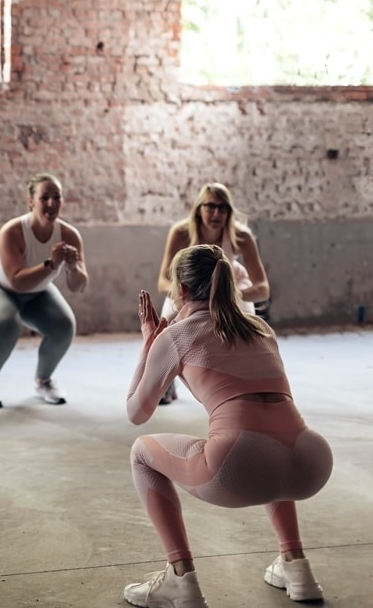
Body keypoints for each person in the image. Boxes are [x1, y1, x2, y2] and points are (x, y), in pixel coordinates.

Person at [122, 244, 333, 608]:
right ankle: (297, 567)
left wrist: (149, 343)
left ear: (182, 291)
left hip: (239, 463)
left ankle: (180, 580)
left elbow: (136, 412)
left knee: (142, 452)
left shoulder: (177, 336)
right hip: (311, 459)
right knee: (270, 438)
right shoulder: (260, 326)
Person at [0, 173, 88, 408]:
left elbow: (79, 286)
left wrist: (72, 267)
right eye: (44, 198)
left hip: (37, 292)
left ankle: (43, 381)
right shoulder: (12, 231)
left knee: (64, 327)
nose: (51, 204)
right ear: (31, 201)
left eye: (57, 197)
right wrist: (52, 264)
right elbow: (17, 282)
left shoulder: (70, 235)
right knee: (7, 325)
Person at [155, 182, 270, 404]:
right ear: (199, 208)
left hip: (229, 288)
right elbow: (162, 282)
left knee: (247, 326)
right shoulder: (181, 233)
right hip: (191, 289)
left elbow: (263, 288)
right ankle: (165, 382)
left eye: (222, 208)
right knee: (164, 323)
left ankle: (248, 381)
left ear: (229, 211)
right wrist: (185, 294)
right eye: (210, 206)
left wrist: (228, 294)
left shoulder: (242, 236)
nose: (216, 213)